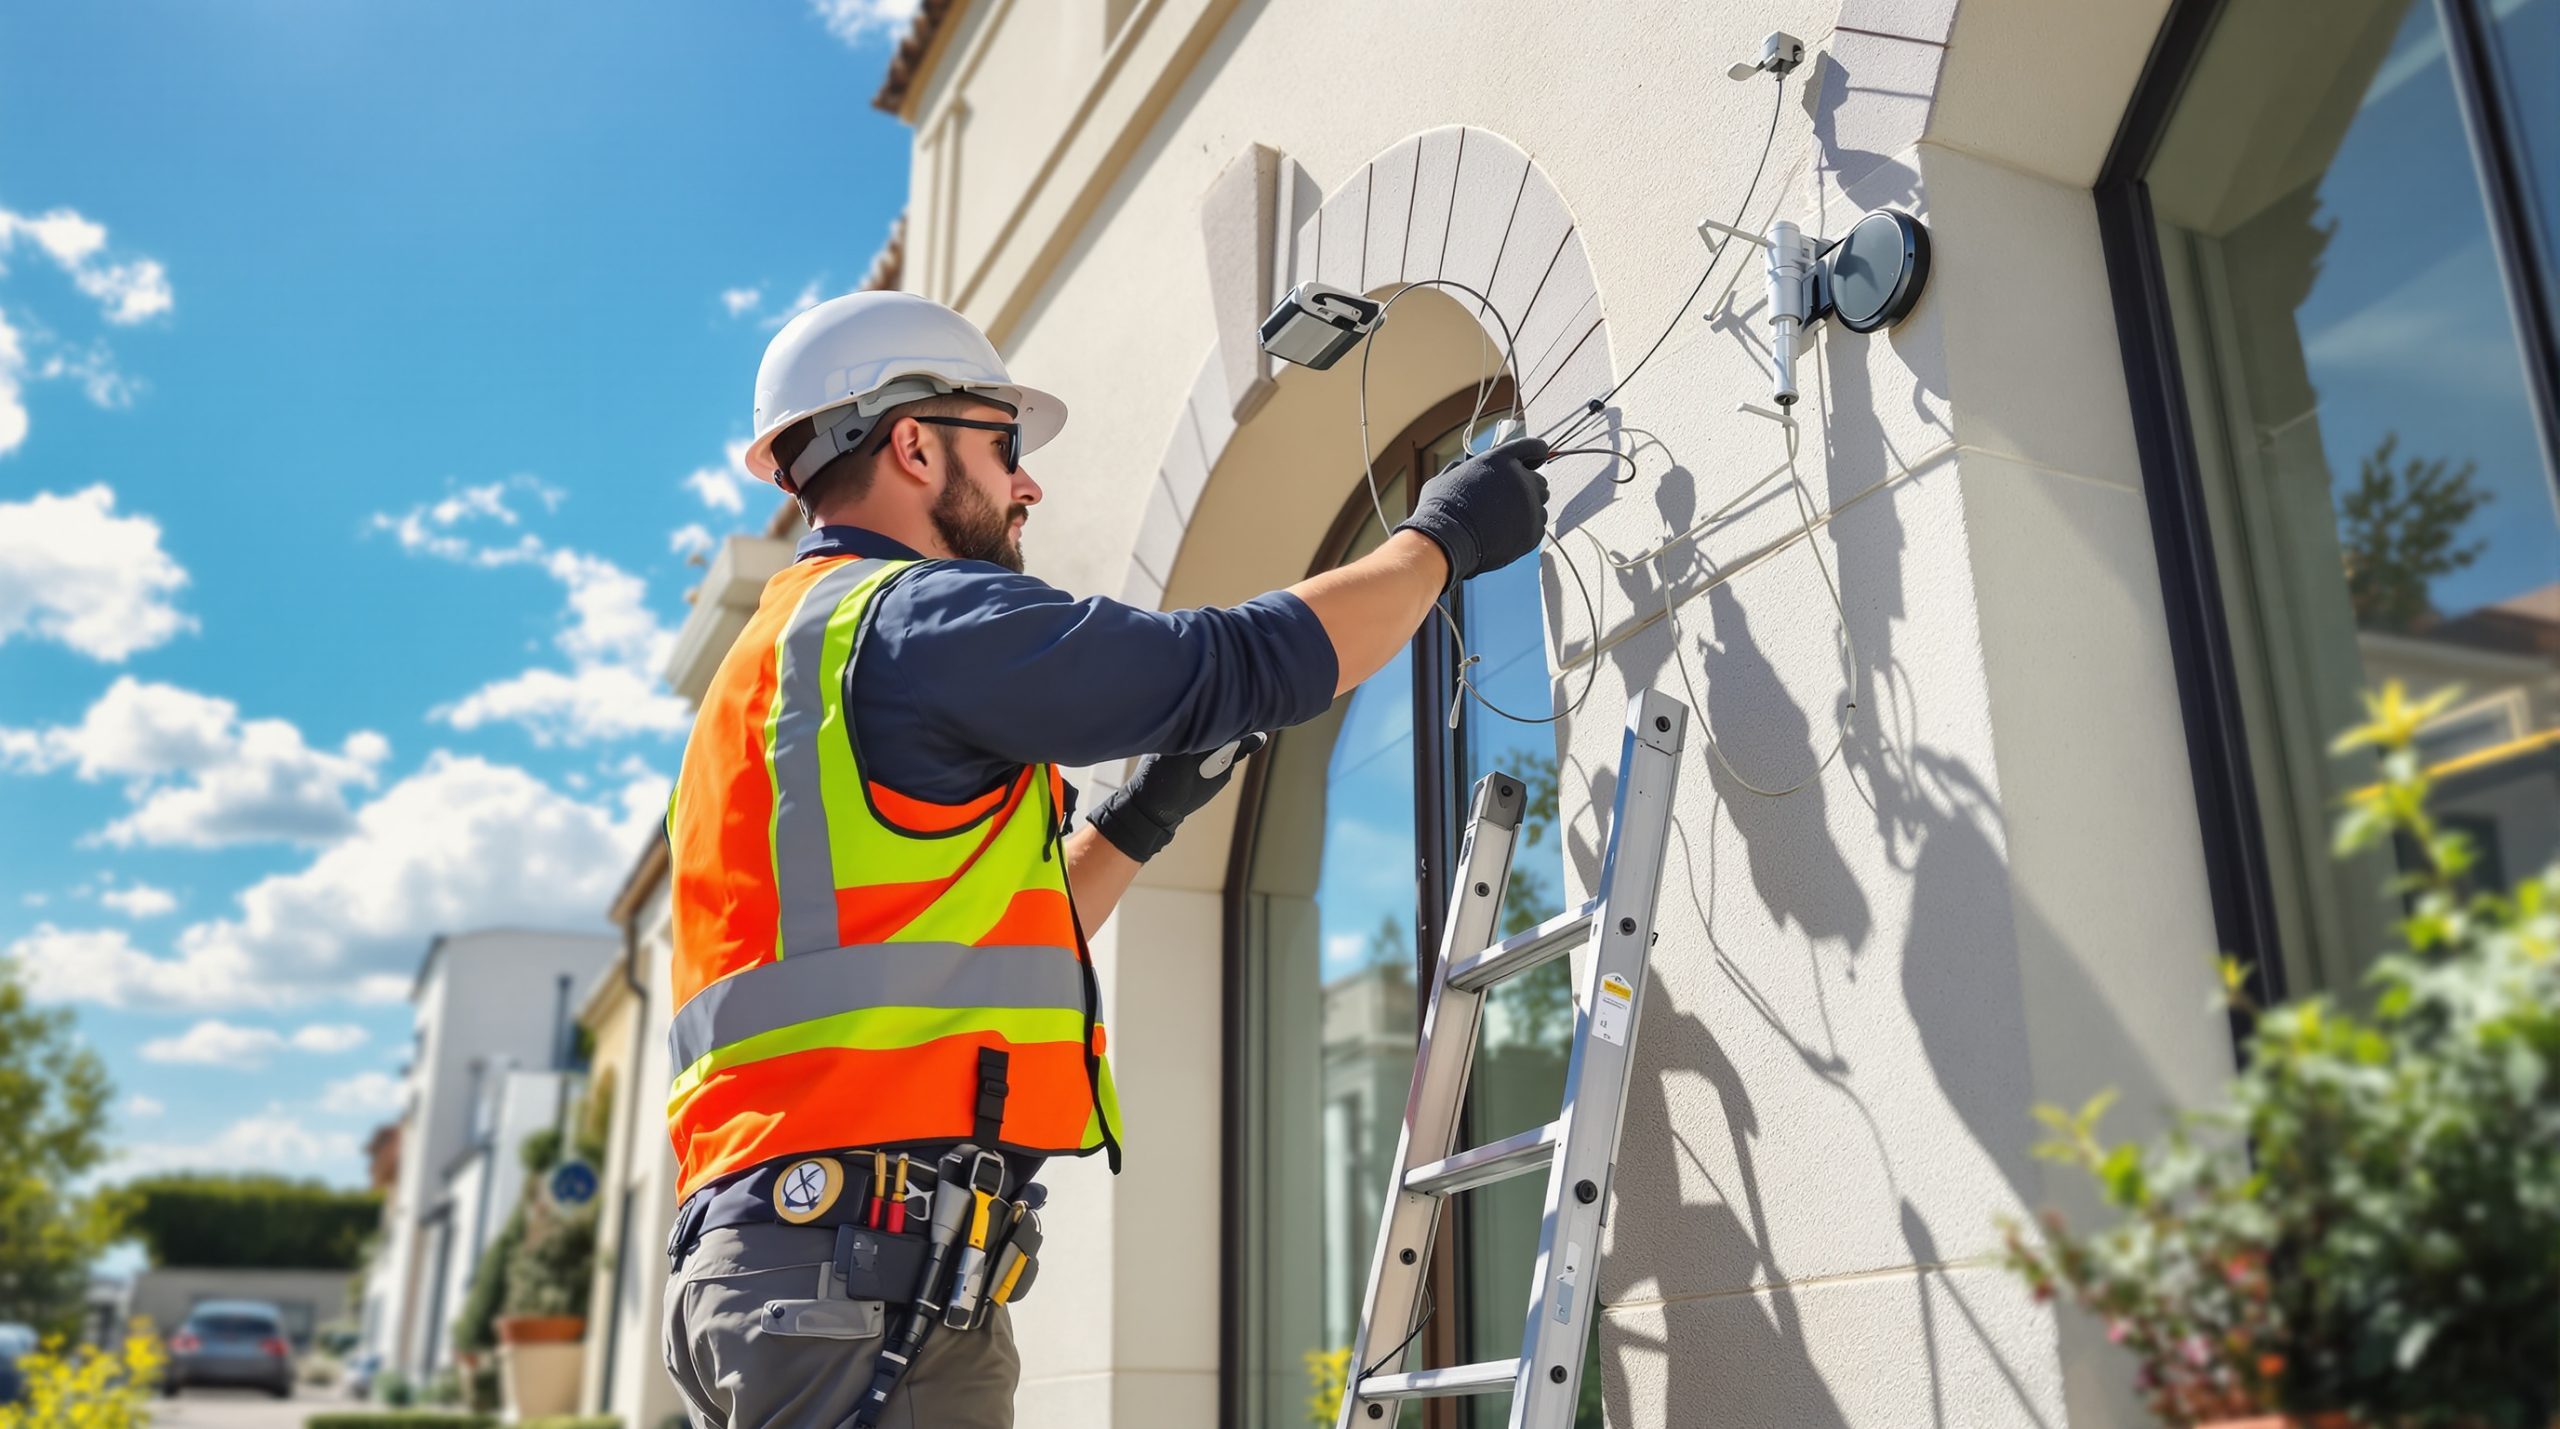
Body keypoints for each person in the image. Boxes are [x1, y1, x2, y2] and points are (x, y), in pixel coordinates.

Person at [660, 290, 1548, 1428]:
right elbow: (1231, 661)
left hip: (775, 1278)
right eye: (1006, 443)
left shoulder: (764, 682)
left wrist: (1144, 816)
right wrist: (1441, 542)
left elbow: (964, 946)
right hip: (858, 1285)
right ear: (914, 443)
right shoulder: (916, 623)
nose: (1027, 482)